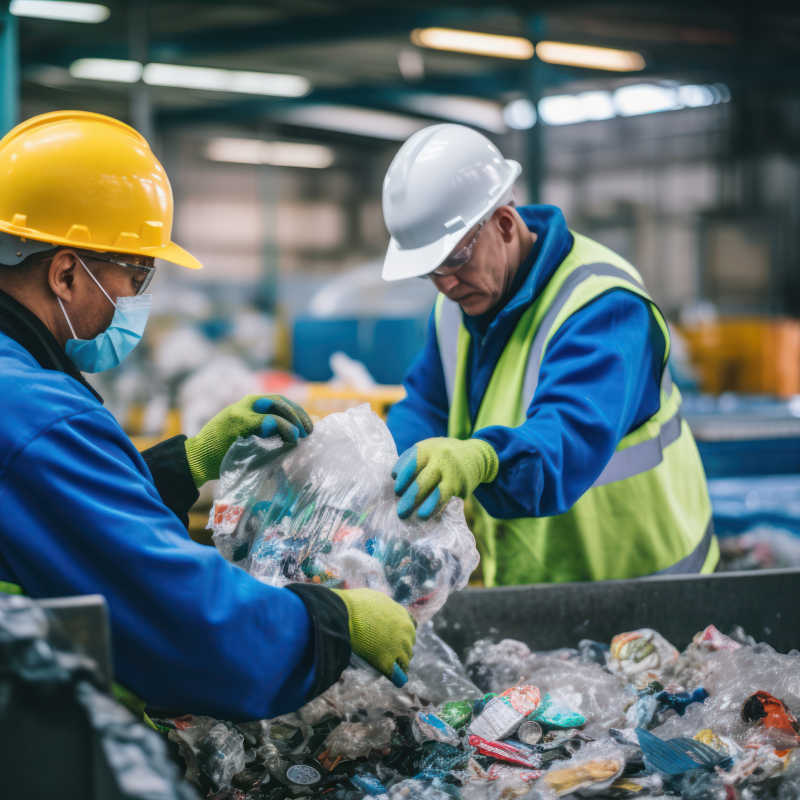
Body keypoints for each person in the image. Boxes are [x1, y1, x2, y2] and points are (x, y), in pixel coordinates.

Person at [0, 111, 415, 722]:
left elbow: (55, 522)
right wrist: (332, 620)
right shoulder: (35, 413)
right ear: (65, 273)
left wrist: (185, 463)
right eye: (136, 274)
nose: (141, 296)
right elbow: (184, 621)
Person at [383, 123, 717, 586]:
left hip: (648, 588)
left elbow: (564, 442)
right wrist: (385, 474)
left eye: (455, 259)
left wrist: (482, 459)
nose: (445, 284)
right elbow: (427, 406)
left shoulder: (603, 305)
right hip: (538, 588)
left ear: (504, 223)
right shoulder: (454, 306)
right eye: (430, 272)